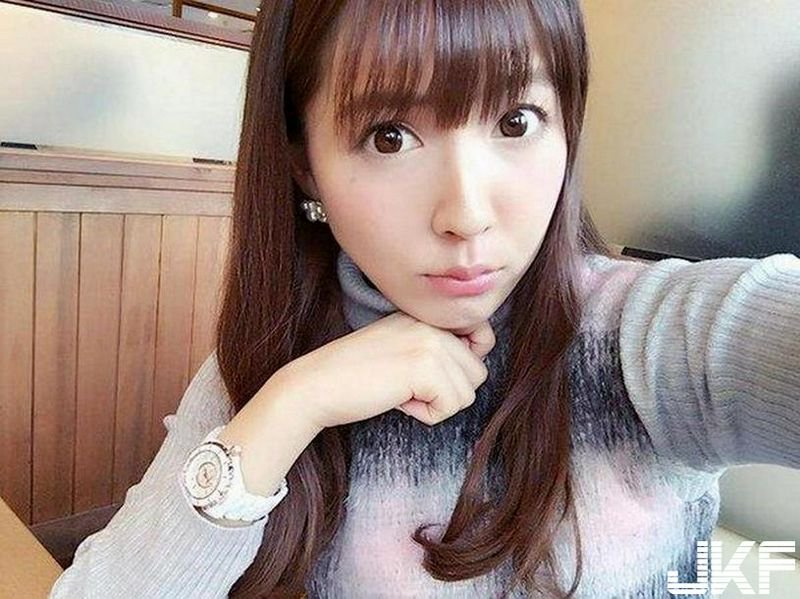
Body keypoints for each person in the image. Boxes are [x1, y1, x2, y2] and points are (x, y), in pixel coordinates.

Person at [49, 0, 800, 597]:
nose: (466, 214)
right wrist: (290, 406)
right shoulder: (268, 367)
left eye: (516, 122)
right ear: (304, 165)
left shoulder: (653, 340)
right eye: (389, 137)